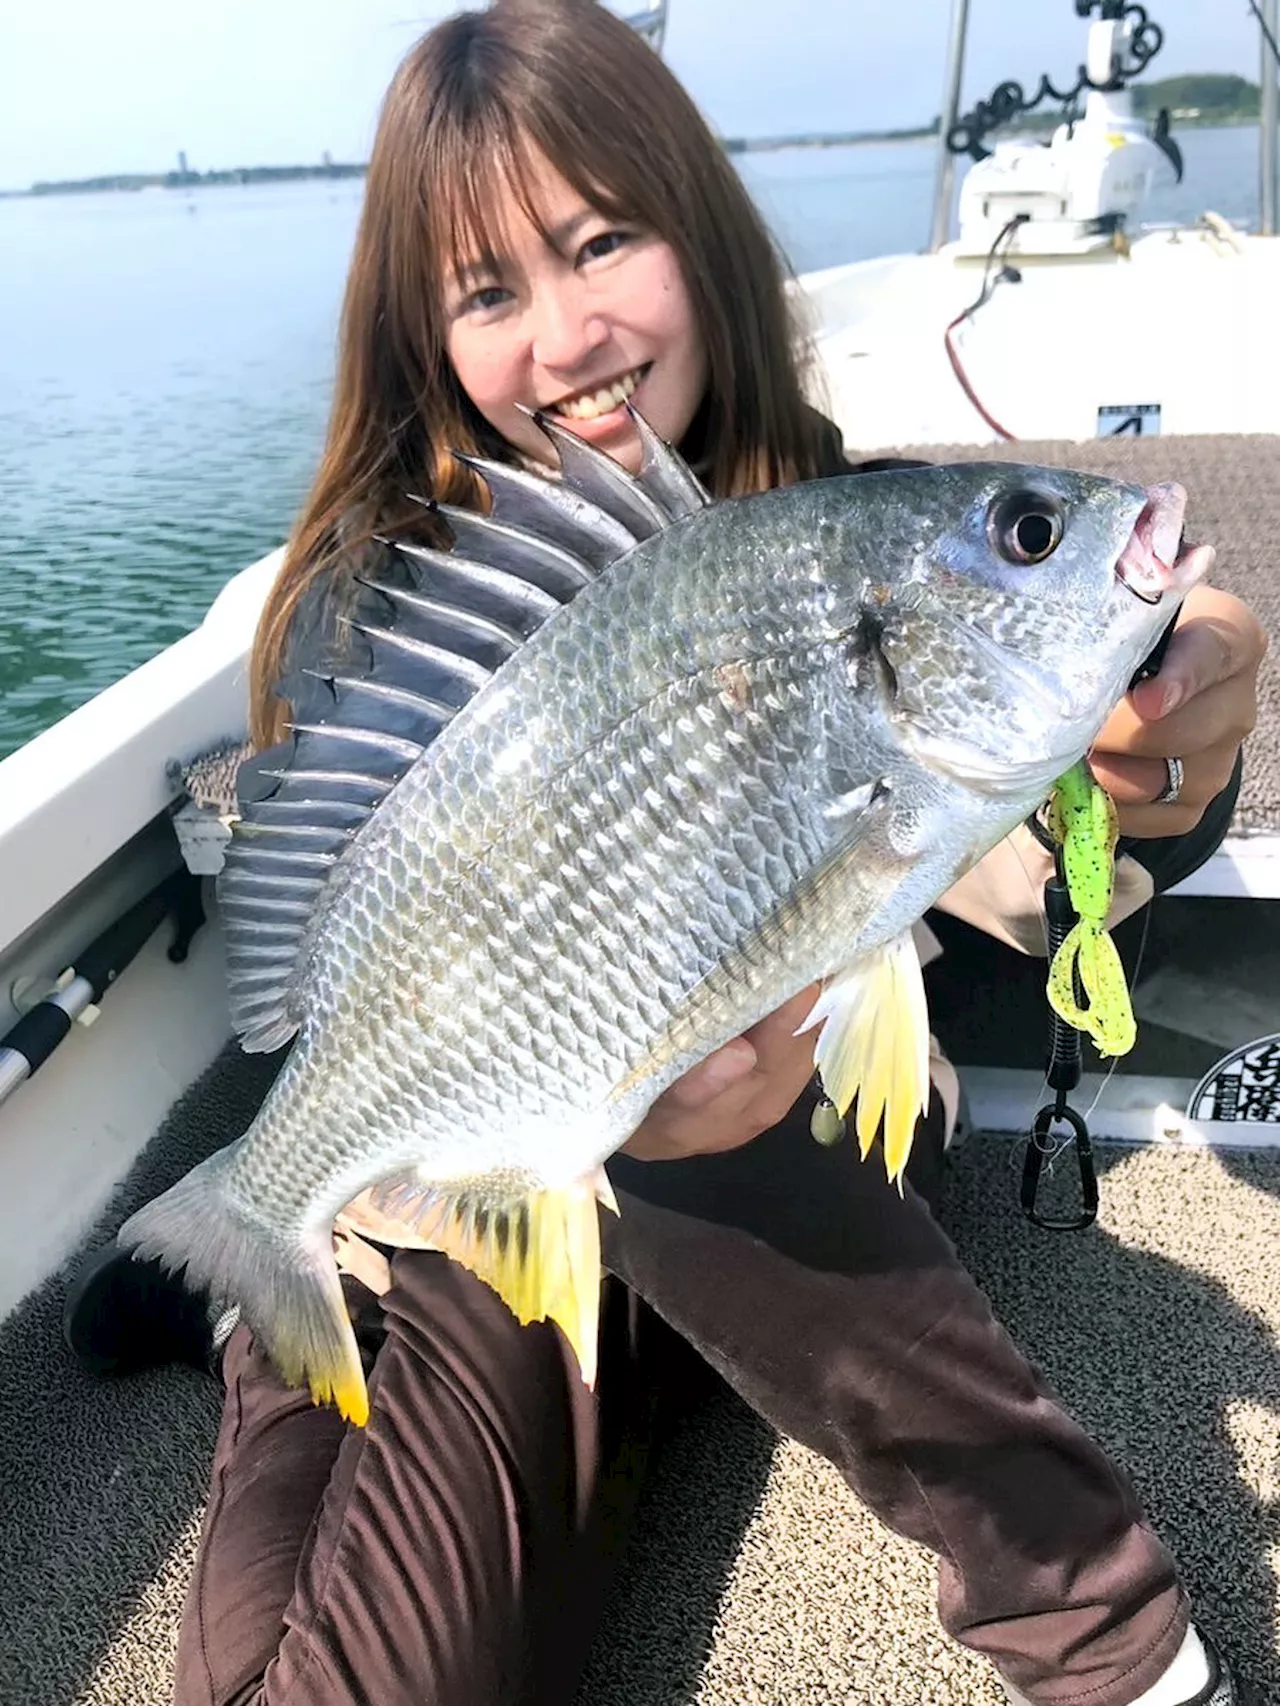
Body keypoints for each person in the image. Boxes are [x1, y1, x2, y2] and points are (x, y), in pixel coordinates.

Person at [64, 3, 1267, 1703]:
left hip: (746, 1169)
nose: (564, 337)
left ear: (695, 234)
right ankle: (255, 1286)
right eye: (488, 294)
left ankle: (1101, 1632)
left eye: (600, 241)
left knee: (701, 1109)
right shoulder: (369, 615)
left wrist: (1183, 712)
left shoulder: (835, 516)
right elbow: (344, 962)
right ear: (427, 339)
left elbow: (1075, 837)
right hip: (466, 1175)